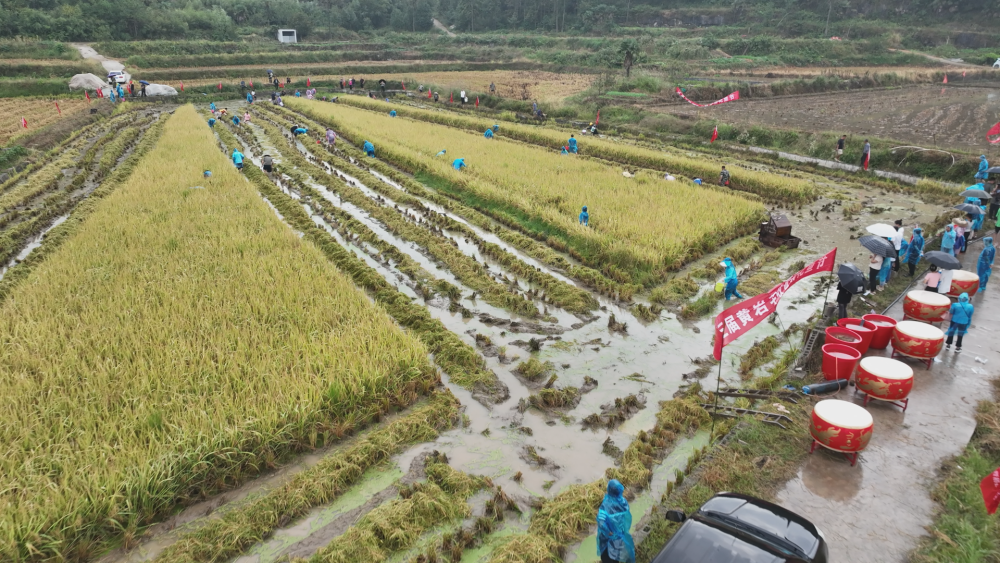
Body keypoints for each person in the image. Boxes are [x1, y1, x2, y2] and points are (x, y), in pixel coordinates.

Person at [597, 479, 635, 563]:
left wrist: (608, 532)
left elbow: (601, 522)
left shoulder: (605, 504)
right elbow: (626, 517)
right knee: (616, 555)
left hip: (608, 539)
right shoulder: (623, 502)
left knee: (608, 558)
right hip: (619, 537)